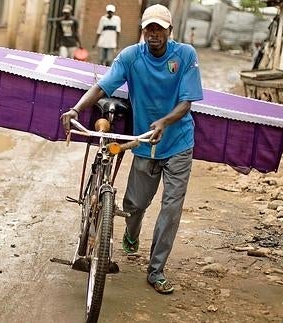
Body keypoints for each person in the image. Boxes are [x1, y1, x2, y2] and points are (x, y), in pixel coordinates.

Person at [61, 4, 203, 295]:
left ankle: (156, 270)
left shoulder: (185, 55)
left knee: (171, 209)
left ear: (169, 32)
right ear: (143, 31)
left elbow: (187, 101)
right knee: (134, 205)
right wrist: (75, 109)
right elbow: (102, 87)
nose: (153, 34)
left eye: (159, 29)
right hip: (143, 142)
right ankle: (130, 232)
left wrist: (164, 121)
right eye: (149, 29)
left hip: (178, 143)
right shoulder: (130, 57)